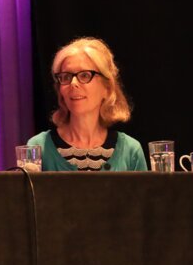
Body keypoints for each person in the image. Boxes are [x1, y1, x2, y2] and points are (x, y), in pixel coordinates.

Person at [27, 37, 147, 171]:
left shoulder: (130, 151)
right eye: (66, 77)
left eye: (84, 75)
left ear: (107, 88)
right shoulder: (38, 147)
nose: (73, 84)